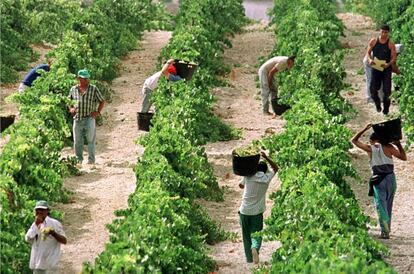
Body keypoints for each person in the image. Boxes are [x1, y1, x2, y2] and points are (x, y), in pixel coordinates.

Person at [351, 124, 407, 239]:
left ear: (373, 140)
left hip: (378, 179)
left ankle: (385, 231)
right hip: (391, 178)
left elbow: (354, 140)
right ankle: (387, 229)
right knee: (388, 204)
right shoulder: (389, 147)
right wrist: (399, 144)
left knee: (380, 205)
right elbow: (403, 157)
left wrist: (364, 128)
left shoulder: (371, 148)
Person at [238, 151, 278, 264]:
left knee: (246, 236)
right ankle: (255, 247)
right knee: (257, 233)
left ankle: (249, 259)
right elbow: (275, 168)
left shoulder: (248, 176)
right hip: (257, 212)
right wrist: (266, 157)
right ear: (265, 171)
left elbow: (240, 185)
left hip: (244, 211)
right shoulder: (266, 178)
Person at [68, 69, 105, 165]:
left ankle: (91, 160)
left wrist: (97, 112)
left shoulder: (93, 88)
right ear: (79, 79)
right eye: (84, 79)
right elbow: (68, 100)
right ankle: (78, 160)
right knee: (77, 141)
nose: (86, 80)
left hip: (89, 118)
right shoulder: (73, 89)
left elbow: (102, 101)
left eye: (87, 78)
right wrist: (71, 108)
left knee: (90, 140)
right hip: (77, 119)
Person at [25, 200, 67, 274]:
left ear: (47, 211)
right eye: (37, 210)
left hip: (49, 265)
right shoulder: (35, 224)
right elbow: (27, 238)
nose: (39, 212)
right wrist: (36, 225)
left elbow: (64, 240)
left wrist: (53, 233)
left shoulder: (55, 224)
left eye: (42, 210)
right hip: (37, 264)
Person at [366, 25, 397, 114]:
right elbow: (368, 53)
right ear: (379, 31)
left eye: (385, 32)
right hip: (376, 67)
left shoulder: (391, 44)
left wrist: (388, 64)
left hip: (386, 68)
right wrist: (370, 59)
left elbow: (394, 57)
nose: (383, 34)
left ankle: (386, 108)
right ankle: (377, 103)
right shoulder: (374, 41)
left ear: (388, 33)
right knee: (373, 89)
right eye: (382, 32)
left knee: (387, 91)